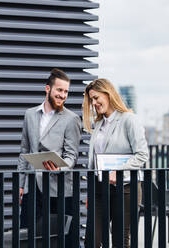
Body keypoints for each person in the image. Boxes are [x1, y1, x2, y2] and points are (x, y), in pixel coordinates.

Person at [17, 68, 82, 245]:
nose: (63, 95)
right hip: (32, 187)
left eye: (66, 91)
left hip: (58, 188)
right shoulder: (30, 114)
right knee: (28, 237)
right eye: (59, 90)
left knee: (60, 240)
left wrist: (60, 167)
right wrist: (21, 184)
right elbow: (25, 150)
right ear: (48, 89)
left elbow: (71, 156)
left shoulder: (71, 119)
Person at [82, 78, 149, 248]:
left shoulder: (129, 119)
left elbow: (142, 155)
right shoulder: (98, 124)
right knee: (92, 240)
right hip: (99, 189)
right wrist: (90, 191)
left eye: (97, 98)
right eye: (92, 100)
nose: (94, 103)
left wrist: (117, 171)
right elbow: (94, 160)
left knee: (120, 240)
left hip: (126, 188)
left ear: (108, 93)